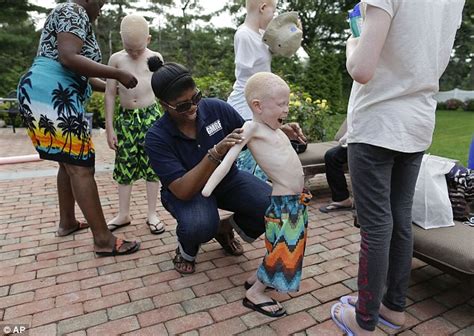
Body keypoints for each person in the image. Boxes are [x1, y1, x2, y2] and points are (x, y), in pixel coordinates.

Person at [330, 1, 466, 335]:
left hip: (378, 120)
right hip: (418, 121)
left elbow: (362, 69)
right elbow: (436, 59)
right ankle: (394, 309)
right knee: (399, 220)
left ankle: (364, 321)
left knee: (376, 226)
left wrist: (352, 45)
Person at [144, 59, 305, 275]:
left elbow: (251, 134)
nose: (193, 108)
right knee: (200, 225)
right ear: (163, 104)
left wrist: (281, 129)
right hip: (188, 193)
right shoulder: (157, 137)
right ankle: (186, 250)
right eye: (183, 106)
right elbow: (182, 189)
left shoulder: (216, 108)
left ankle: (225, 229)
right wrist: (215, 153)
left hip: (229, 180)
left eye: (196, 98)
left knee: (270, 205)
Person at [17, 0, 141, 256]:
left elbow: (77, 72)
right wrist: (116, 75)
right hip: (52, 92)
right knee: (81, 166)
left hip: (44, 88)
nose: (103, 6)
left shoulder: (68, 12)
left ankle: (67, 222)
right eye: (102, 1)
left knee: (68, 161)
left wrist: (112, 87)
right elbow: (68, 58)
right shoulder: (73, 11)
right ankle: (104, 240)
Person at [203, 72, 310, 318]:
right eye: (281, 104)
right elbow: (227, 159)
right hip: (282, 202)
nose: (287, 108)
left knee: (282, 243)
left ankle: (258, 277)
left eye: (287, 102)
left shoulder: (275, 129)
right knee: (283, 247)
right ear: (257, 106)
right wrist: (208, 188)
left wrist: (286, 131)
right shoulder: (251, 128)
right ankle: (256, 293)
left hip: (296, 200)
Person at [105, 14, 165, 235]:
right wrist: (109, 127)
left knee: (152, 165)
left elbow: (164, 88)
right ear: (121, 39)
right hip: (127, 119)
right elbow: (110, 94)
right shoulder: (116, 60)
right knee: (124, 165)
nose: (133, 53)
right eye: (129, 49)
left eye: (138, 49)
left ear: (148, 39)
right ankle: (123, 213)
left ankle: (152, 213)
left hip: (151, 117)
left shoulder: (155, 57)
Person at [227, 0, 277, 181]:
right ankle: (248, 202)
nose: (274, 17)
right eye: (273, 11)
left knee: (262, 163)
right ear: (263, 8)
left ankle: (256, 202)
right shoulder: (244, 35)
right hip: (246, 105)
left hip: (258, 104)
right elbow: (249, 77)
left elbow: (284, 49)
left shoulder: (262, 34)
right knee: (248, 162)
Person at [319, 131, 353, 213]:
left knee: (332, 156)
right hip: (356, 139)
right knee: (332, 156)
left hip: (370, 141)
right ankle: (342, 198)